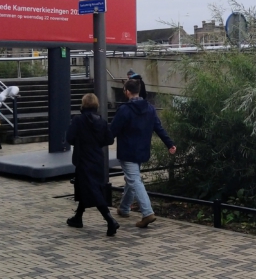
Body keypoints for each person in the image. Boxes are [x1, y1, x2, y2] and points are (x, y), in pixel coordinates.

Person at [110, 79, 176, 228]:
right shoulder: (150, 109)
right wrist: (170, 144)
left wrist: (101, 141)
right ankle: (124, 208)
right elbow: (159, 128)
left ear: (127, 91)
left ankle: (147, 212)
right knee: (132, 179)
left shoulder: (124, 110)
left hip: (127, 151)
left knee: (134, 181)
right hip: (142, 150)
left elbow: (113, 130)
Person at [65, 93, 119, 236]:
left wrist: (80, 140)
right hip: (97, 159)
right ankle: (78, 218)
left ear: (83, 105)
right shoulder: (101, 121)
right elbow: (109, 140)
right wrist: (97, 143)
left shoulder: (78, 120)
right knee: (88, 187)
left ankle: (110, 220)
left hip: (83, 159)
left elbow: (69, 138)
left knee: (93, 190)